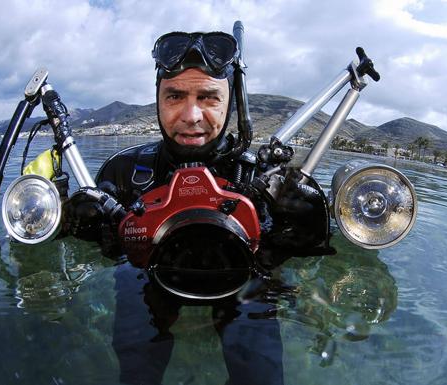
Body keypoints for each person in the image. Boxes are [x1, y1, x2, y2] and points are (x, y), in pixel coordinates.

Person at [66, 29, 332, 385]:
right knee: (136, 372)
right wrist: (84, 227)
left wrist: (308, 231)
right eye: (175, 95)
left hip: (243, 285)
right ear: (158, 99)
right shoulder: (124, 173)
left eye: (208, 97)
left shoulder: (262, 180)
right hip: (147, 282)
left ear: (231, 103)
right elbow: (98, 247)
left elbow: (293, 255)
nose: (191, 115)